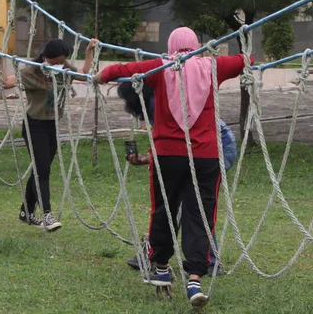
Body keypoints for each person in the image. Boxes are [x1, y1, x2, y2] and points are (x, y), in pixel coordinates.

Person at [93, 27, 252, 309]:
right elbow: (244, 60)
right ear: (196, 45)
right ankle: (194, 279)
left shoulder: (160, 66)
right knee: (200, 214)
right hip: (205, 156)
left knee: (164, 209)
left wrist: (101, 75)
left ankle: (163, 266)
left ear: (170, 46)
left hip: (167, 155)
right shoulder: (213, 65)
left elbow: (125, 68)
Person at [118, 82, 237, 274]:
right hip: (201, 147)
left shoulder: (155, 104)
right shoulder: (155, 102)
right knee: (185, 203)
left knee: (195, 205)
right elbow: (174, 143)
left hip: (217, 146)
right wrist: (149, 159)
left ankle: (209, 262)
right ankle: (157, 252)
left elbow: (174, 142)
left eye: (124, 99)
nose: (124, 105)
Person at [0, 38, 99, 232]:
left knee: (41, 169)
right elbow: (5, 83)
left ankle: (26, 211)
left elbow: (84, 75)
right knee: (43, 171)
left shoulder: (64, 68)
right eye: (54, 61)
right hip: (34, 126)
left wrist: (89, 50)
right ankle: (47, 215)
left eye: (61, 61)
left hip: (52, 126)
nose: (58, 64)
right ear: (45, 57)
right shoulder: (30, 71)